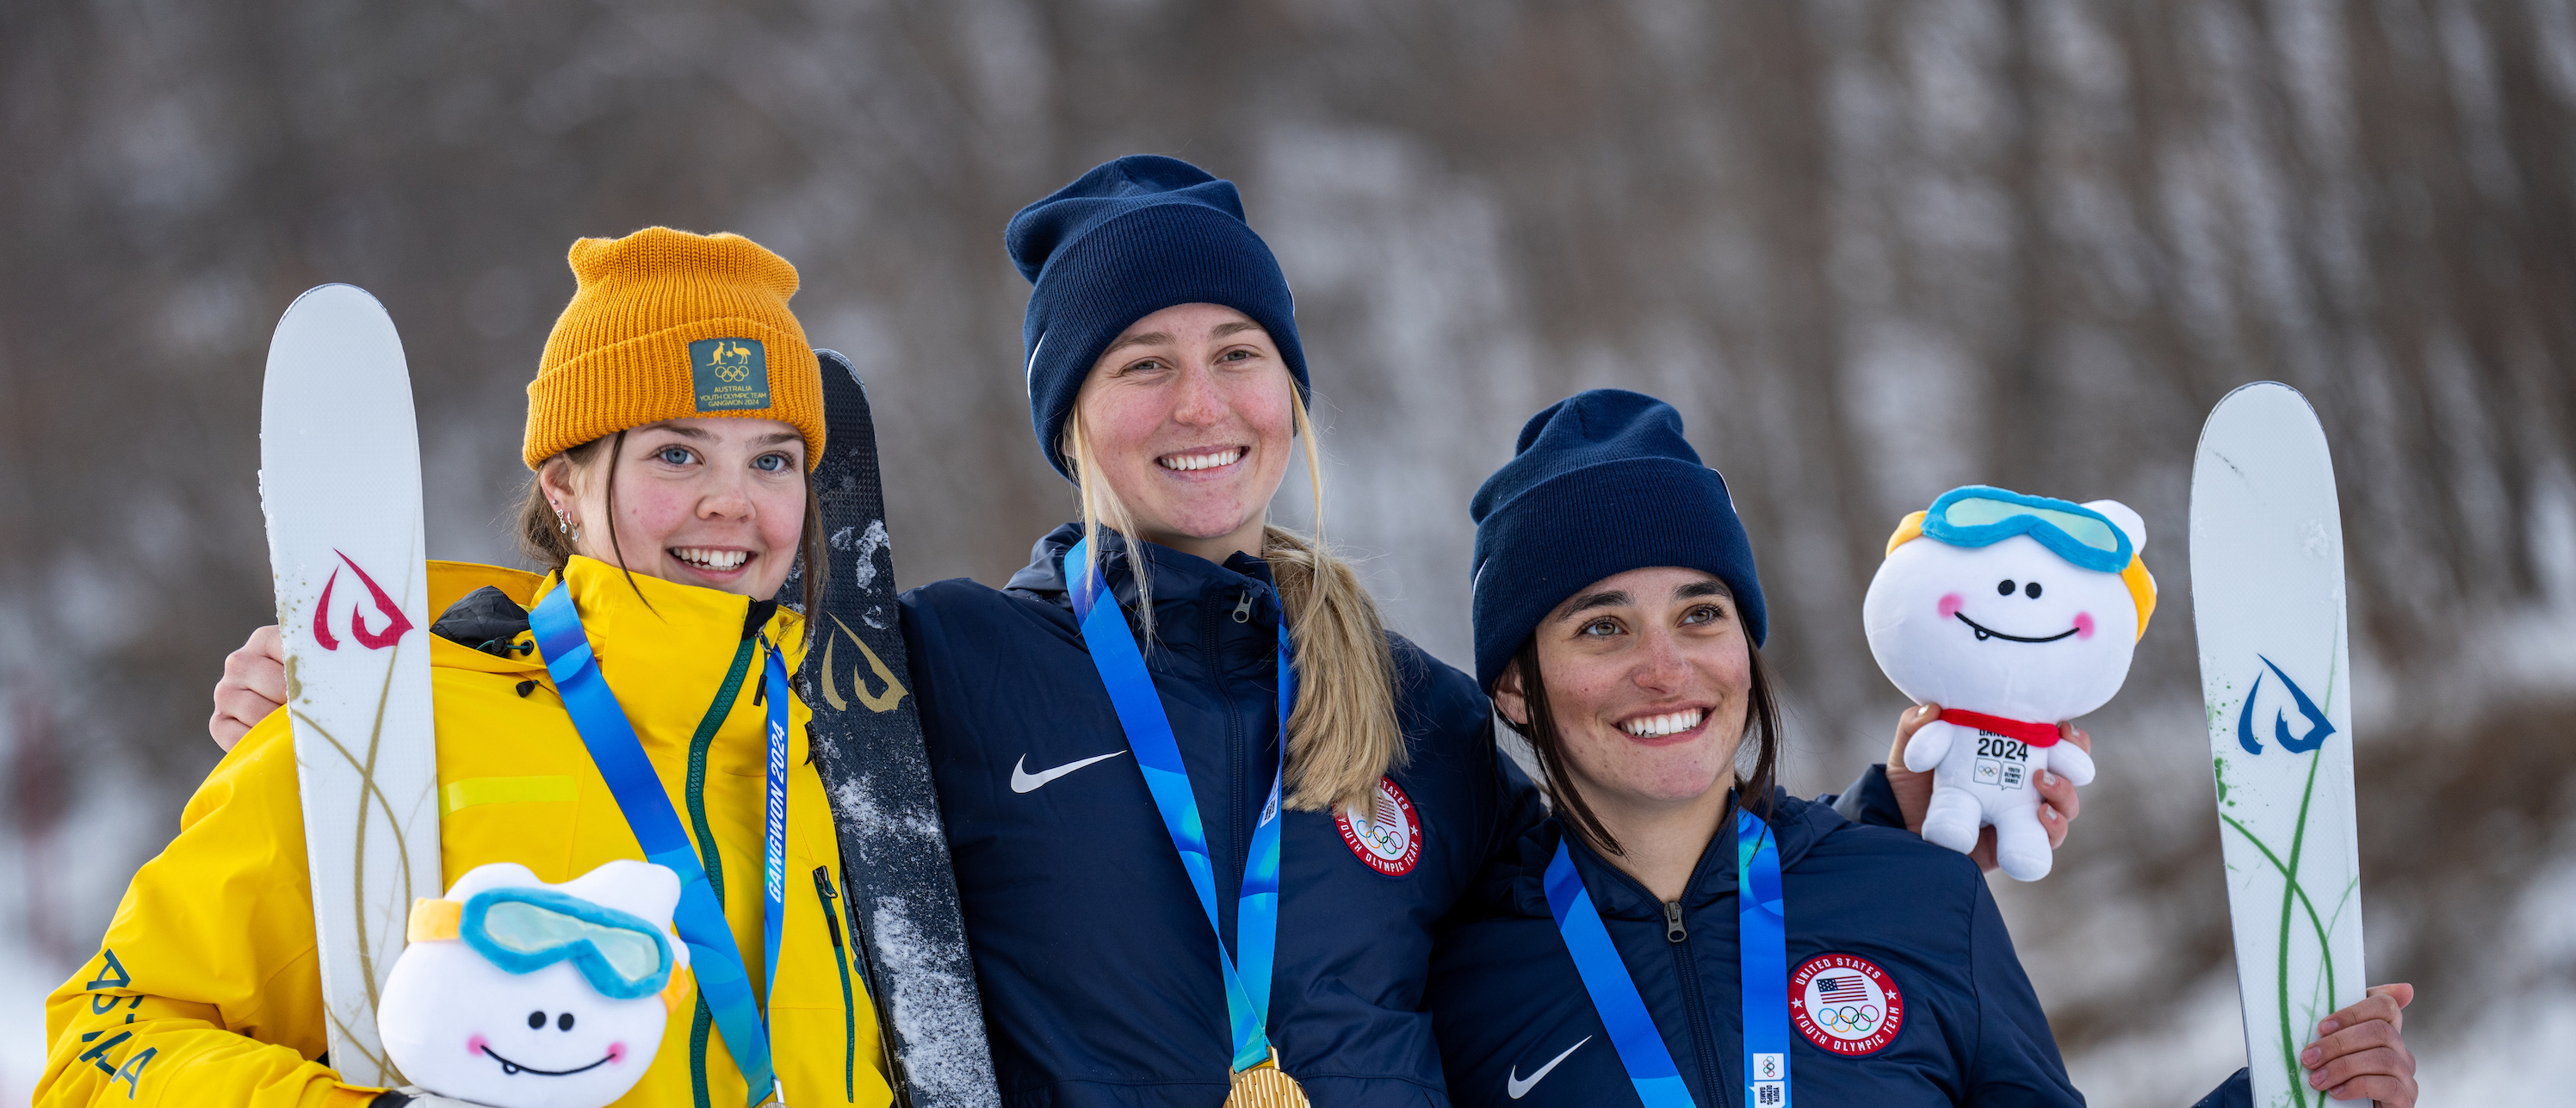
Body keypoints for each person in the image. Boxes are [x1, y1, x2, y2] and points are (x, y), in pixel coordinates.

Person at [200, 161, 2085, 1106]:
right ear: (1070, 417)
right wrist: (411, 653)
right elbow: (689, 653)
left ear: (1290, 393)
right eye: (1140, 362)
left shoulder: (1418, 714)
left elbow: (1640, 893)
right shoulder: (942, 663)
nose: (1201, 401)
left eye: (1238, 353)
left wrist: (1894, 824)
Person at [45, 229, 894, 1108]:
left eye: (772, 460)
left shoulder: (856, 742)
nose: (731, 502)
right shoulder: (388, 724)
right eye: (675, 455)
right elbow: (102, 1045)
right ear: (564, 487)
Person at [1426, 389, 2418, 1108]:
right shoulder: (1462, 977)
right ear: (1514, 684)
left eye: (1699, 613)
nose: (1664, 668)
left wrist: (2300, 1094)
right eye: (1601, 628)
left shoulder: (1916, 898)